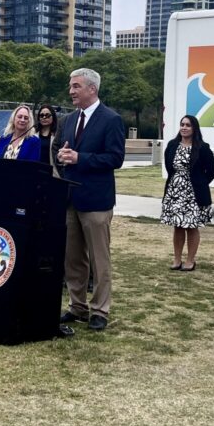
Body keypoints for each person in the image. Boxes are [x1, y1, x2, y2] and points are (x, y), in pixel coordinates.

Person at [56, 68, 126, 331]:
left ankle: (100, 310)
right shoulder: (70, 119)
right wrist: (63, 157)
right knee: (72, 258)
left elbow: (115, 158)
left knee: (99, 258)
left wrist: (80, 158)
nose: (71, 91)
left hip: (96, 201)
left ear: (91, 89)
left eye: (76, 86)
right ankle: (77, 306)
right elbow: (65, 152)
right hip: (71, 198)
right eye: (71, 86)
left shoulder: (111, 119)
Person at [161, 115, 214, 271]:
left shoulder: (203, 147)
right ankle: (177, 259)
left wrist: (200, 183)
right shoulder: (172, 145)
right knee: (178, 226)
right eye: (182, 124)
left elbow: (212, 171)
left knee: (191, 227)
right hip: (175, 191)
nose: (184, 127)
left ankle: (190, 260)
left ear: (194, 128)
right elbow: (169, 167)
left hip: (194, 194)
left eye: (188, 125)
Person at [34, 104, 60, 176]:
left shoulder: (58, 135)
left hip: (52, 174)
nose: (44, 117)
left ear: (53, 117)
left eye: (47, 115)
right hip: (35, 172)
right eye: (41, 115)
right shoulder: (33, 135)